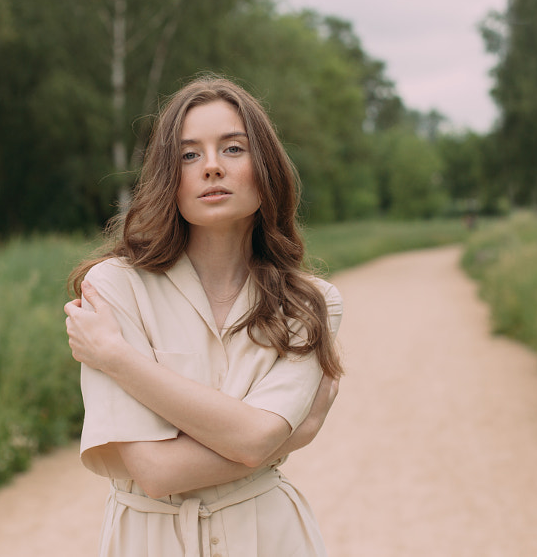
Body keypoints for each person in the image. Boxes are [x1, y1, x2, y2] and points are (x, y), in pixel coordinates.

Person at [64, 76, 344, 557]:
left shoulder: (310, 303)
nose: (211, 167)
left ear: (266, 168)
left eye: (233, 149)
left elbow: (257, 440)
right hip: (148, 542)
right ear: (168, 176)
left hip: (271, 539)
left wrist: (117, 358)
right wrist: (290, 435)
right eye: (189, 155)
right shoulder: (113, 289)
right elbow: (155, 471)